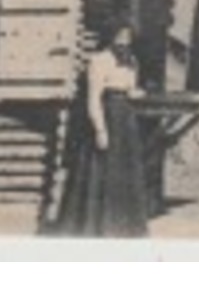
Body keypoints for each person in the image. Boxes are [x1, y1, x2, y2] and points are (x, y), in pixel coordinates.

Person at [57, 21, 150, 238]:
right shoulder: (99, 61)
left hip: (125, 120)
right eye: (120, 36)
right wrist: (100, 129)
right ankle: (93, 226)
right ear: (110, 36)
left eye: (127, 36)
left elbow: (129, 89)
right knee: (99, 171)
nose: (124, 41)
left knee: (124, 173)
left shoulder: (131, 62)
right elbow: (93, 98)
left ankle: (123, 226)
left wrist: (136, 94)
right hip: (107, 118)